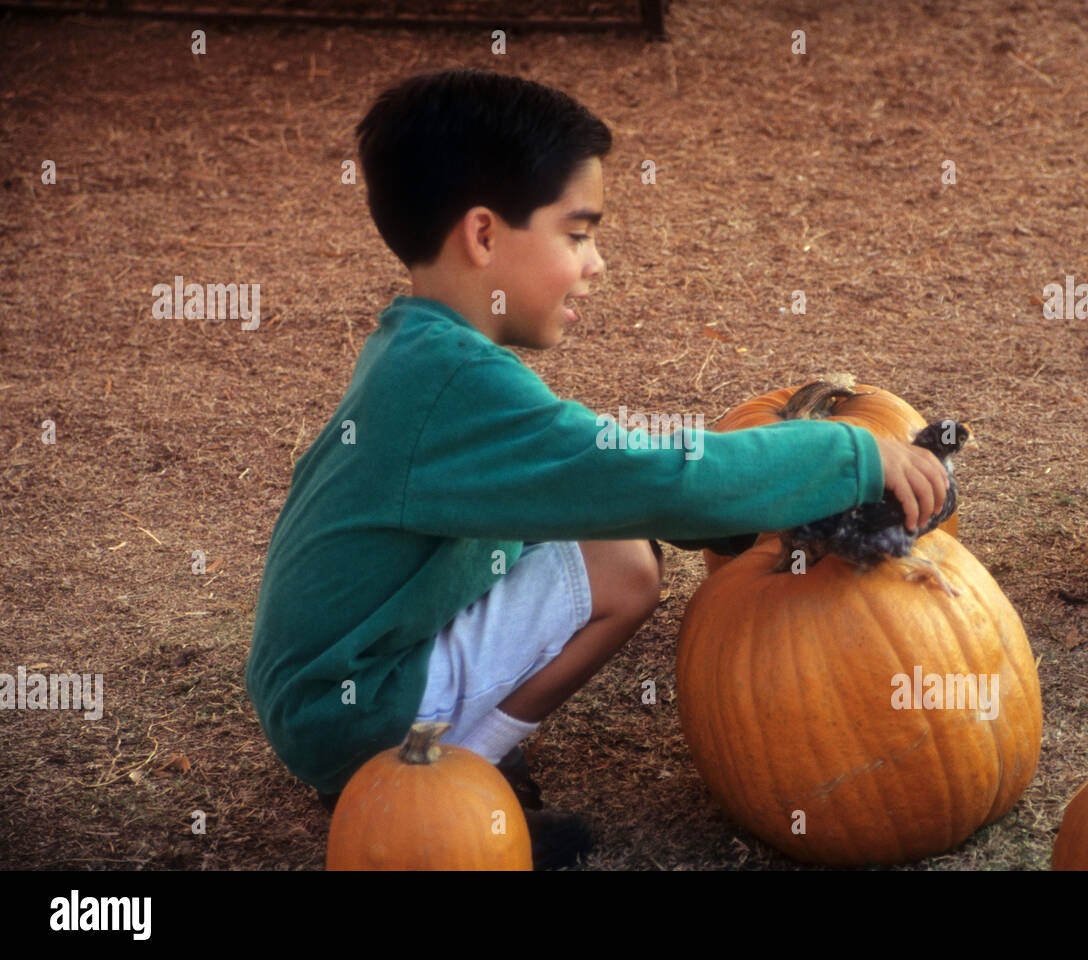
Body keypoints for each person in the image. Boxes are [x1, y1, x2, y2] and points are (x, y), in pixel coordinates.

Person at [244, 68, 950, 869]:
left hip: (330, 681)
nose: (597, 262)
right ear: (483, 236)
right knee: (624, 571)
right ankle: (455, 781)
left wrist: (727, 517)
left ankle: (446, 762)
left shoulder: (416, 349)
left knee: (613, 537)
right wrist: (851, 453)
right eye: (577, 234)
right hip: (349, 706)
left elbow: (592, 481)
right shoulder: (453, 384)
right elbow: (648, 477)